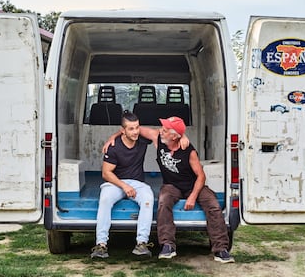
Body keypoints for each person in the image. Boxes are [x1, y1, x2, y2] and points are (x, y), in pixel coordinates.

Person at [103, 116, 234, 263]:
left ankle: (221, 249)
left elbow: (201, 176)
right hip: (172, 185)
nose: (161, 131)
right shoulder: (158, 138)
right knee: (164, 202)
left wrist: (192, 196)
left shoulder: (189, 151)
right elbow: (133, 130)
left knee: (213, 205)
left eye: (165, 130)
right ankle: (167, 246)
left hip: (192, 185)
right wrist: (112, 138)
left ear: (174, 136)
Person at [91, 111, 154, 258]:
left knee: (147, 199)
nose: (135, 132)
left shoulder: (142, 140)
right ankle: (101, 245)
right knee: (105, 199)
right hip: (115, 182)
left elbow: (159, 133)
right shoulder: (114, 147)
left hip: (137, 182)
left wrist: (182, 136)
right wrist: (124, 186)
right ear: (123, 131)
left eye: (137, 127)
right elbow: (106, 173)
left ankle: (142, 243)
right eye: (131, 129)